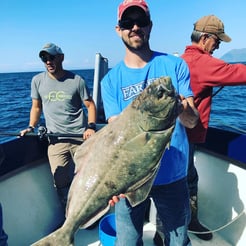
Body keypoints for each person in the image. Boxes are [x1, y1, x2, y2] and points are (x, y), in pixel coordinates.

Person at [101, 1, 199, 245]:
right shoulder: (110, 81)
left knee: (178, 241)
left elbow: (191, 121)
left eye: (141, 21)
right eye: (127, 22)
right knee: (127, 242)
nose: (135, 27)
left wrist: (179, 106)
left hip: (173, 176)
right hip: (131, 180)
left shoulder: (175, 65)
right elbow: (116, 137)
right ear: (118, 29)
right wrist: (113, 181)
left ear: (150, 26)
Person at [181, 15, 246, 241]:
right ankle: (186, 224)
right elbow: (239, 73)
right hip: (184, 137)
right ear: (205, 38)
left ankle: (166, 230)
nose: (218, 45)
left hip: (171, 136)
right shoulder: (203, 63)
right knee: (186, 181)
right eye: (217, 40)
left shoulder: (182, 59)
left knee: (173, 181)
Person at [20, 43, 97, 212]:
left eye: (51, 57)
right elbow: (36, 107)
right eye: (44, 58)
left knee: (86, 179)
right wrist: (31, 126)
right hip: (56, 141)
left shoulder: (77, 80)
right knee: (60, 181)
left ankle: (90, 214)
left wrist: (91, 127)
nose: (48, 61)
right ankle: (70, 216)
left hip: (80, 139)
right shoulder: (37, 81)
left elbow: (90, 105)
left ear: (61, 57)